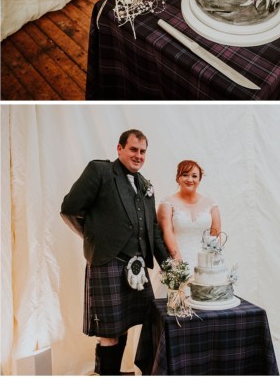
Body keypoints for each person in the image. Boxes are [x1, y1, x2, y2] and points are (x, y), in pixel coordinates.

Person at [61, 129, 170, 375]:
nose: (138, 155)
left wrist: (170, 266)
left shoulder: (145, 184)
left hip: (137, 267)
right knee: (108, 331)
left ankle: (114, 373)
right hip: (108, 263)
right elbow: (69, 208)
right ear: (119, 149)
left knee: (123, 326)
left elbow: (153, 230)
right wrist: (93, 237)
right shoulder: (100, 171)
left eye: (142, 151)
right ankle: (107, 374)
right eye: (133, 149)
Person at [157, 160, 221, 267]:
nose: (190, 179)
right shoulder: (167, 203)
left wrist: (211, 265)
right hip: (177, 263)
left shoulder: (211, 204)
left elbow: (216, 236)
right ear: (178, 178)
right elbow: (166, 233)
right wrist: (179, 264)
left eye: (194, 176)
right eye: (185, 175)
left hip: (205, 265)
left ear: (199, 179)